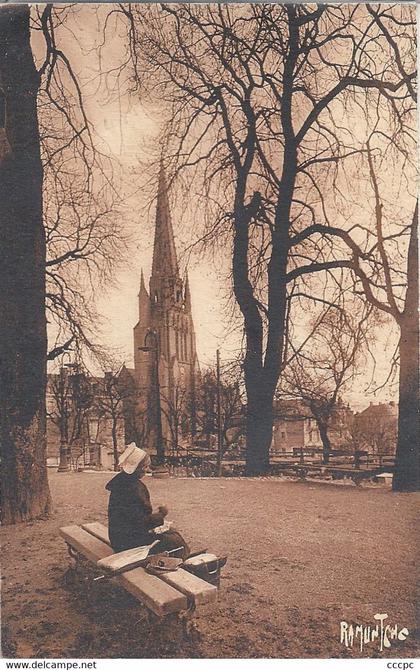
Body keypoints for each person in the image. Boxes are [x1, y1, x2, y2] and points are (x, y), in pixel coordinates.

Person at [105, 443, 189, 558]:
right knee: (174, 540)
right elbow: (141, 523)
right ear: (136, 468)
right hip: (127, 543)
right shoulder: (134, 488)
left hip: (118, 537)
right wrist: (161, 515)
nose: (147, 470)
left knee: (171, 533)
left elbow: (132, 519)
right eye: (145, 467)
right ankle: (184, 567)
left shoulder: (121, 482)